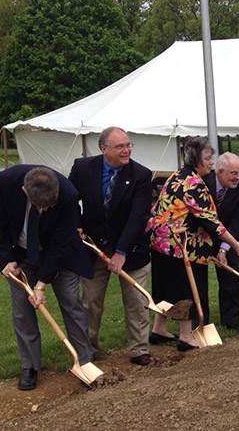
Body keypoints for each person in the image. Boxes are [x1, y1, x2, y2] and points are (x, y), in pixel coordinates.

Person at [0, 166, 94, 390]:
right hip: (22, 254)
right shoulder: (6, 182)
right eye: (42, 206)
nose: (46, 209)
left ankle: (84, 361)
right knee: (22, 311)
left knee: (71, 303)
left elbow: (62, 243)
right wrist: (7, 258)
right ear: (25, 190)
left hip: (61, 256)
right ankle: (30, 366)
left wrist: (41, 284)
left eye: (50, 205)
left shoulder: (68, 193)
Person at [147, 137, 239, 350]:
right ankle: (186, 336)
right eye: (208, 158)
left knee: (164, 288)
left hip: (161, 241)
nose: (211, 162)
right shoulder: (194, 183)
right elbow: (210, 221)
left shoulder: (176, 175)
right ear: (196, 160)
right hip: (181, 245)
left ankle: (159, 329)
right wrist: (235, 244)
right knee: (186, 291)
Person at [69, 127, 155, 366]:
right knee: (91, 302)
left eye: (128, 145)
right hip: (93, 248)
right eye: (120, 146)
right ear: (103, 149)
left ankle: (139, 350)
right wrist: (76, 225)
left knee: (137, 301)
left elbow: (138, 216)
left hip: (132, 250)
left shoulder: (140, 175)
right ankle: (87, 350)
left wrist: (121, 252)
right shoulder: (83, 168)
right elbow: (67, 199)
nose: (127, 150)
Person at [202, 152, 239, 330]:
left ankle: (231, 322)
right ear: (220, 172)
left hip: (227, 237)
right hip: (200, 235)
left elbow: (237, 222)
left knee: (230, 277)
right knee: (198, 280)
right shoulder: (202, 184)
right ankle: (199, 321)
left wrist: (223, 249)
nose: (237, 177)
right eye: (233, 173)